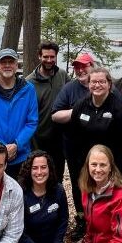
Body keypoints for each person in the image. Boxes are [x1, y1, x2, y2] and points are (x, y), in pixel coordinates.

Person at [8, 150, 69, 243]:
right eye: (35, 168)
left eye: (43, 167)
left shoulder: (58, 191)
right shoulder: (20, 194)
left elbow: (63, 221)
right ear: (29, 170)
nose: (39, 172)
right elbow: (19, 233)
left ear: (50, 169)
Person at [59, 67, 122, 181]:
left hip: (111, 168)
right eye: (94, 82)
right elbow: (73, 139)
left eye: (101, 82)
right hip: (86, 167)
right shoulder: (80, 106)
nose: (97, 85)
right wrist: (75, 167)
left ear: (109, 84)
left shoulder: (119, 109)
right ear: (88, 84)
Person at [0, 48, 39, 180]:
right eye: (4, 62)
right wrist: (3, 147)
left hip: (21, 155)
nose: (7, 65)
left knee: (20, 195)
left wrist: (17, 144)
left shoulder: (28, 89)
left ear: (17, 65)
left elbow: (31, 122)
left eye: (11, 62)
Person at [51, 51, 94, 240]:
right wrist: (77, 111)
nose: (80, 70)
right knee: (78, 185)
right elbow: (55, 115)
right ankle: (81, 221)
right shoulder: (70, 89)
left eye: (84, 65)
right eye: (77, 67)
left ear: (92, 66)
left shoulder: (103, 85)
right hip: (74, 147)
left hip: (99, 149)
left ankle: (98, 222)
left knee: (99, 183)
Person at [26, 41, 70, 181]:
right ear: (39, 57)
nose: (49, 60)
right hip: (38, 138)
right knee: (39, 176)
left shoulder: (62, 75)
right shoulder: (29, 83)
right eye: (46, 57)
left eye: (52, 57)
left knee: (57, 177)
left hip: (59, 137)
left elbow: (73, 94)